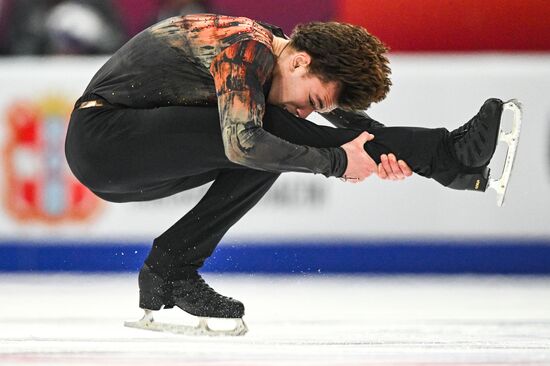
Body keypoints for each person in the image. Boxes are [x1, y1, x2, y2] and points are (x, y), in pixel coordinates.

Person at [64, 14, 514, 335]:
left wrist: (396, 158)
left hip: (133, 158)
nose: (307, 111)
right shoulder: (245, 48)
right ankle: (451, 157)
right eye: (313, 100)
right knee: (263, 135)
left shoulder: (280, 56)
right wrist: (339, 163)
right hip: (104, 142)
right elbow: (243, 142)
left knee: (275, 143)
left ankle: (170, 269)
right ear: (300, 62)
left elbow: (350, 128)